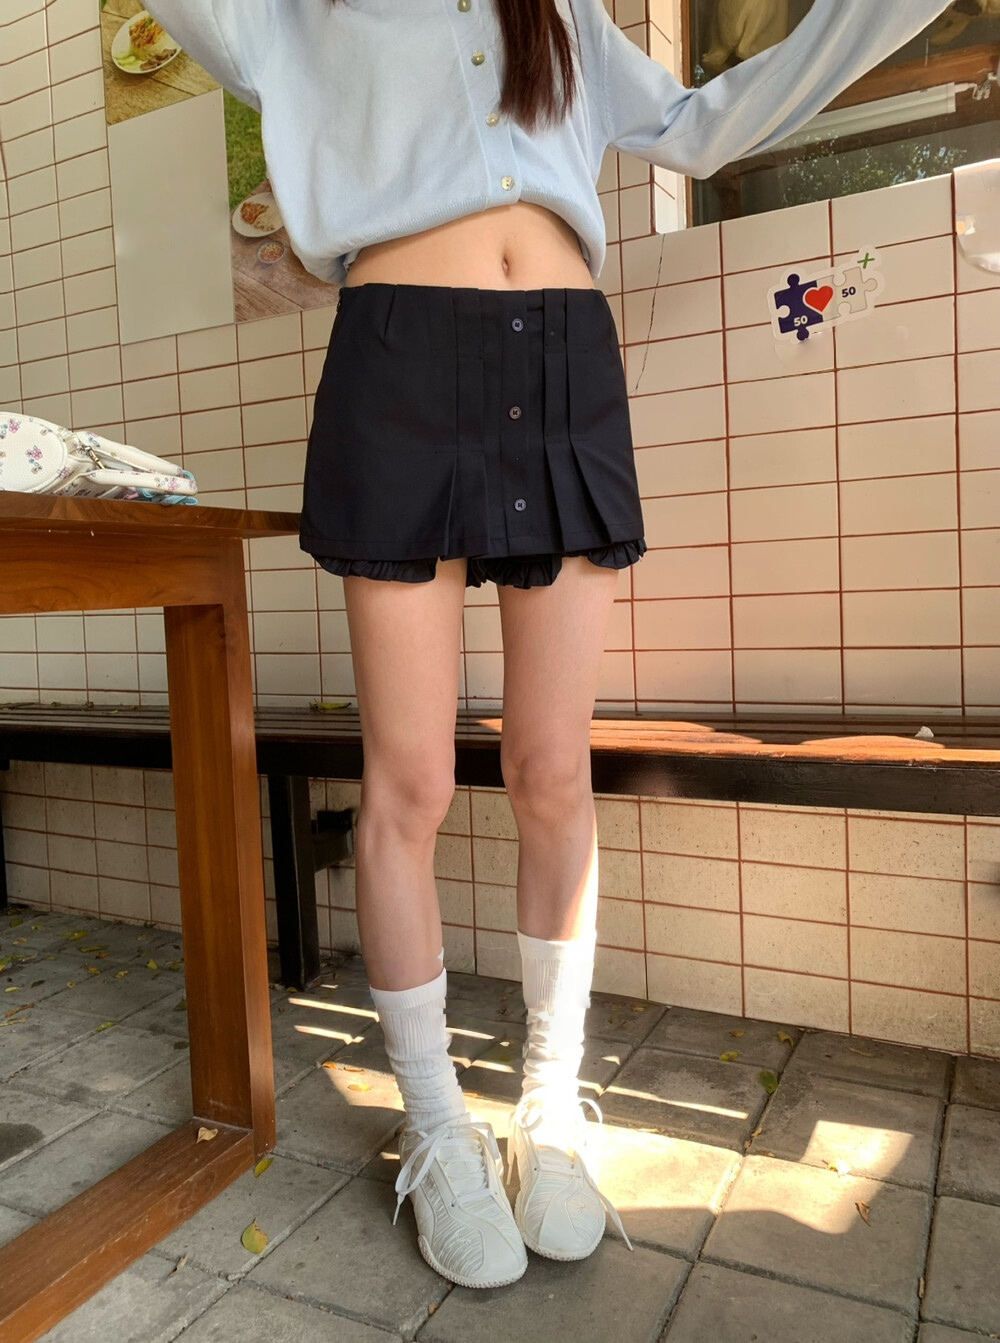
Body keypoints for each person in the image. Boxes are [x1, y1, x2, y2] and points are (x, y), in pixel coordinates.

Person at [149, 0, 951, 1291]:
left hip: (567, 363)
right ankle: (435, 1124)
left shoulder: (558, 8)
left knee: (551, 770)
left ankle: (550, 1109)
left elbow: (697, 127)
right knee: (410, 781)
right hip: (400, 361)